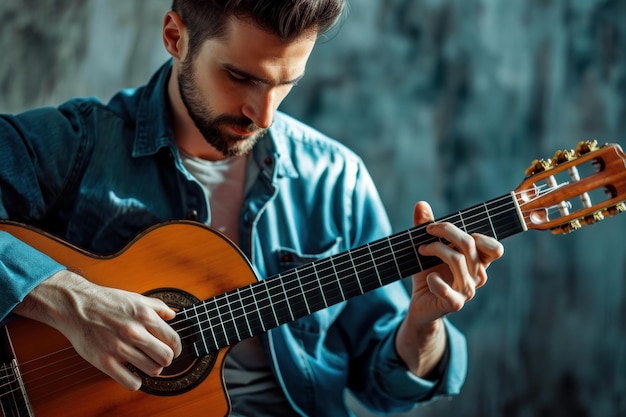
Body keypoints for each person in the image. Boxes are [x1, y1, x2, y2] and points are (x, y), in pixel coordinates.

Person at [0, 0, 504, 416]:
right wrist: (70, 300)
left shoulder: (336, 180)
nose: (263, 113)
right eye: (240, 77)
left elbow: (383, 388)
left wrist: (423, 326)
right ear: (176, 37)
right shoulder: (80, 144)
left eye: (286, 84)